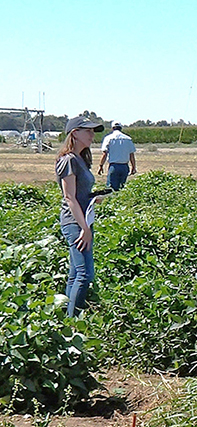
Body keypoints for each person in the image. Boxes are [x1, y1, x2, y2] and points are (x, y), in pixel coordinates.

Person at [56, 115, 105, 317]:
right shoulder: (68, 160)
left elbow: (79, 193)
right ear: (74, 134)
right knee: (85, 275)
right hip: (75, 222)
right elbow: (69, 198)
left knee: (76, 273)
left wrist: (94, 196)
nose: (92, 135)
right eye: (88, 131)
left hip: (84, 219)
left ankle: (66, 318)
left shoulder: (80, 160)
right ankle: (72, 322)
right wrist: (84, 229)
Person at [97, 121, 136, 190]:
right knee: (121, 188)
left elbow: (104, 154)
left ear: (112, 128)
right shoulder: (128, 139)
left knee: (111, 188)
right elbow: (131, 155)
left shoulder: (108, 138)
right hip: (124, 167)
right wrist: (133, 167)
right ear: (121, 128)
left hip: (114, 166)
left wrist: (101, 166)